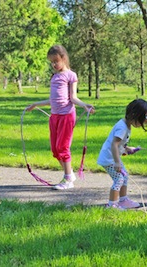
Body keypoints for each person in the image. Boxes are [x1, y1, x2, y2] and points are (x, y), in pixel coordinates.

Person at [26, 45, 95, 190]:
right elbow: (52, 100)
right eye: (51, 62)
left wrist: (85, 105)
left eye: (56, 61)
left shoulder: (71, 75)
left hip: (66, 116)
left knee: (63, 147)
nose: (54, 64)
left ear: (64, 58)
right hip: (54, 116)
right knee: (55, 149)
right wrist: (35, 104)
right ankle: (69, 173)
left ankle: (68, 179)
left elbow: (73, 98)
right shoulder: (55, 77)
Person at [97, 99, 147, 210]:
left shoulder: (126, 125)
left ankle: (123, 200)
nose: (143, 125)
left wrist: (127, 149)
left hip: (113, 157)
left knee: (124, 176)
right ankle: (112, 205)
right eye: (142, 121)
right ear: (134, 116)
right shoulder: (122, 128)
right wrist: (117, 162)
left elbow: (119, 144)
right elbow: (114, 144)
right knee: (119, 179)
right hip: (109, 158)